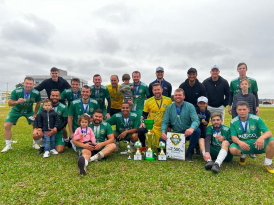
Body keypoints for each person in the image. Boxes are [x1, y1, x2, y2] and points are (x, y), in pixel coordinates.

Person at [229, 101, 274, 173]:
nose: (242, 111)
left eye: (244, 109)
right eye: (240, 110)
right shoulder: (233, 122)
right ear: (236, 110)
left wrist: (261, 138)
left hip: (256, 143)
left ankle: (267, 163)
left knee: (272, 141)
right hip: (243, 143)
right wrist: (240, 142)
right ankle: (244, 155)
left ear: (248, 110)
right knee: (232, 149)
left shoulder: (256, 119)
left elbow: (268, 133)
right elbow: (233, 137)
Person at [2, 77, 41, 153]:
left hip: (29, 111)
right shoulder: (17, 91)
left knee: (36, 124)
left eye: (30, 84)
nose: (28, 85)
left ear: (33, 84)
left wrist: (35, 113)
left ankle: (35, 143)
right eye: (27, 83)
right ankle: (8, 145)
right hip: (16, 110)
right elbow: (9, 103)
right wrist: (17, 102)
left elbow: (38, 103)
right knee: (7, 125)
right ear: (23, 83)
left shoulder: (36, 92)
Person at [161, 88, 200, 162]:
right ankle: (171, 151)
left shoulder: (190, 106)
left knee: (197, 131)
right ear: (174, 96)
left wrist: (191, 128)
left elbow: (196, 120)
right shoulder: (169, 108)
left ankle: (189, 152)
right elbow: (164, 121)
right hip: (176, 133)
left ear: (184, 97)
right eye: (176, 95)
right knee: (161, 140)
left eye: (180, 95)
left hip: (187, 133)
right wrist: (163, 132)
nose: (177, 97)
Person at [72, 109, 116, 175]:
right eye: (96, 116)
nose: (98, 118)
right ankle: (84, 166)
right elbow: (73, 140)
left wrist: (101, 144)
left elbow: (112, 139)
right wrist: (84, 145)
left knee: (113, 146)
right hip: (88, 146)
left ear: (102, 117)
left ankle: (92, 159)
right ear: (92, 116)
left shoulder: (106, 125)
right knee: (86, 152)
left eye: (100, 117)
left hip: (101, 147)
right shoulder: (86, 123)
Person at [138, 83, 172, 153]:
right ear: (152, 91)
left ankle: (161, 147)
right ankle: (144, 146)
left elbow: (171, 114)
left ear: (162, 90)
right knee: (141, 131)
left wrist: (169, 125)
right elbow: (144, 114)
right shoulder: (148, 101)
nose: (157, 91)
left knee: (162, 150)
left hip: (163, 127)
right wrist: (142, 122)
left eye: (158, 89)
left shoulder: (168, 100)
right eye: (155, 90)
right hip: (151, 126)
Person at [33, 89, 68, 154]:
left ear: (59, 97)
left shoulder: (63, 107)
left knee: (60, 150)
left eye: (57, 96)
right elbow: (37, 118)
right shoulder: (43, 106)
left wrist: (56, 130)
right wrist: (35, 128)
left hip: (57, 131)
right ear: (50, 96)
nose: (55, 97)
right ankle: (43, 145)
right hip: (44, 130)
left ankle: (53, 143)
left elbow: (65, 122)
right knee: (35, 135)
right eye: (53, 95)